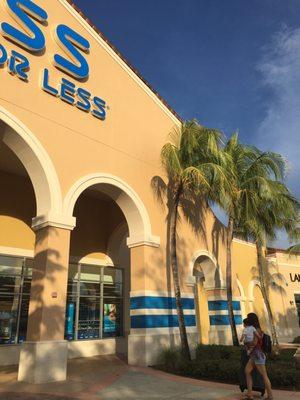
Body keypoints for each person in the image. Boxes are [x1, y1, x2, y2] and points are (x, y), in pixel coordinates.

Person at [244, 312, 273, 400]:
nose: (247, 319)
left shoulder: (257, 330)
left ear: (251, 320)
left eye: (248, 318)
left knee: (264, 376)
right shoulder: (253, 329)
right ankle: (250, 395)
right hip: (254, 355)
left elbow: (254, 343)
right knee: (247, 371)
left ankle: (270, 396)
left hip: (258, 355)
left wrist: (246, 343)